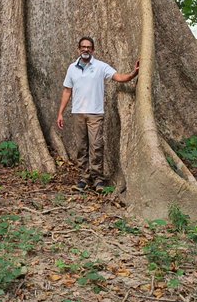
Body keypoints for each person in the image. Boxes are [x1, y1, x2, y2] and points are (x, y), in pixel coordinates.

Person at [56, 36, 139, 191]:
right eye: (83, 47)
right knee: (81, 147)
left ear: (93, 50)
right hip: (78, 113)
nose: (86, 49)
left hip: (95, 114)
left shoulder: (101, 67)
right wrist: (60, 113)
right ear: (78, 49)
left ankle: (97, 180)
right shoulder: (72, 68)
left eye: (88, 47)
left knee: (96, 146)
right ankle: (83, 179)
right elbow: (67, 90)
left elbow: (120, 77)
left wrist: (134, 73)